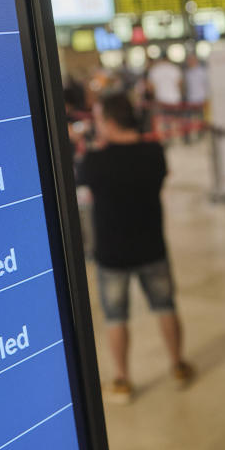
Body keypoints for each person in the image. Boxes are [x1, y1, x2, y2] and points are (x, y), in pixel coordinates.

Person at [78, 93, 195, 403]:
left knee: (116, 317)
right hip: (152, 247)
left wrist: (96, 148)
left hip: (112, 255)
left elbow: (83, 178)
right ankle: (178, 365)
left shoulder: (96, 161)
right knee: (165, 306)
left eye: (100, 119)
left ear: (111, 122)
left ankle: (122, 379)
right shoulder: (154, 153)